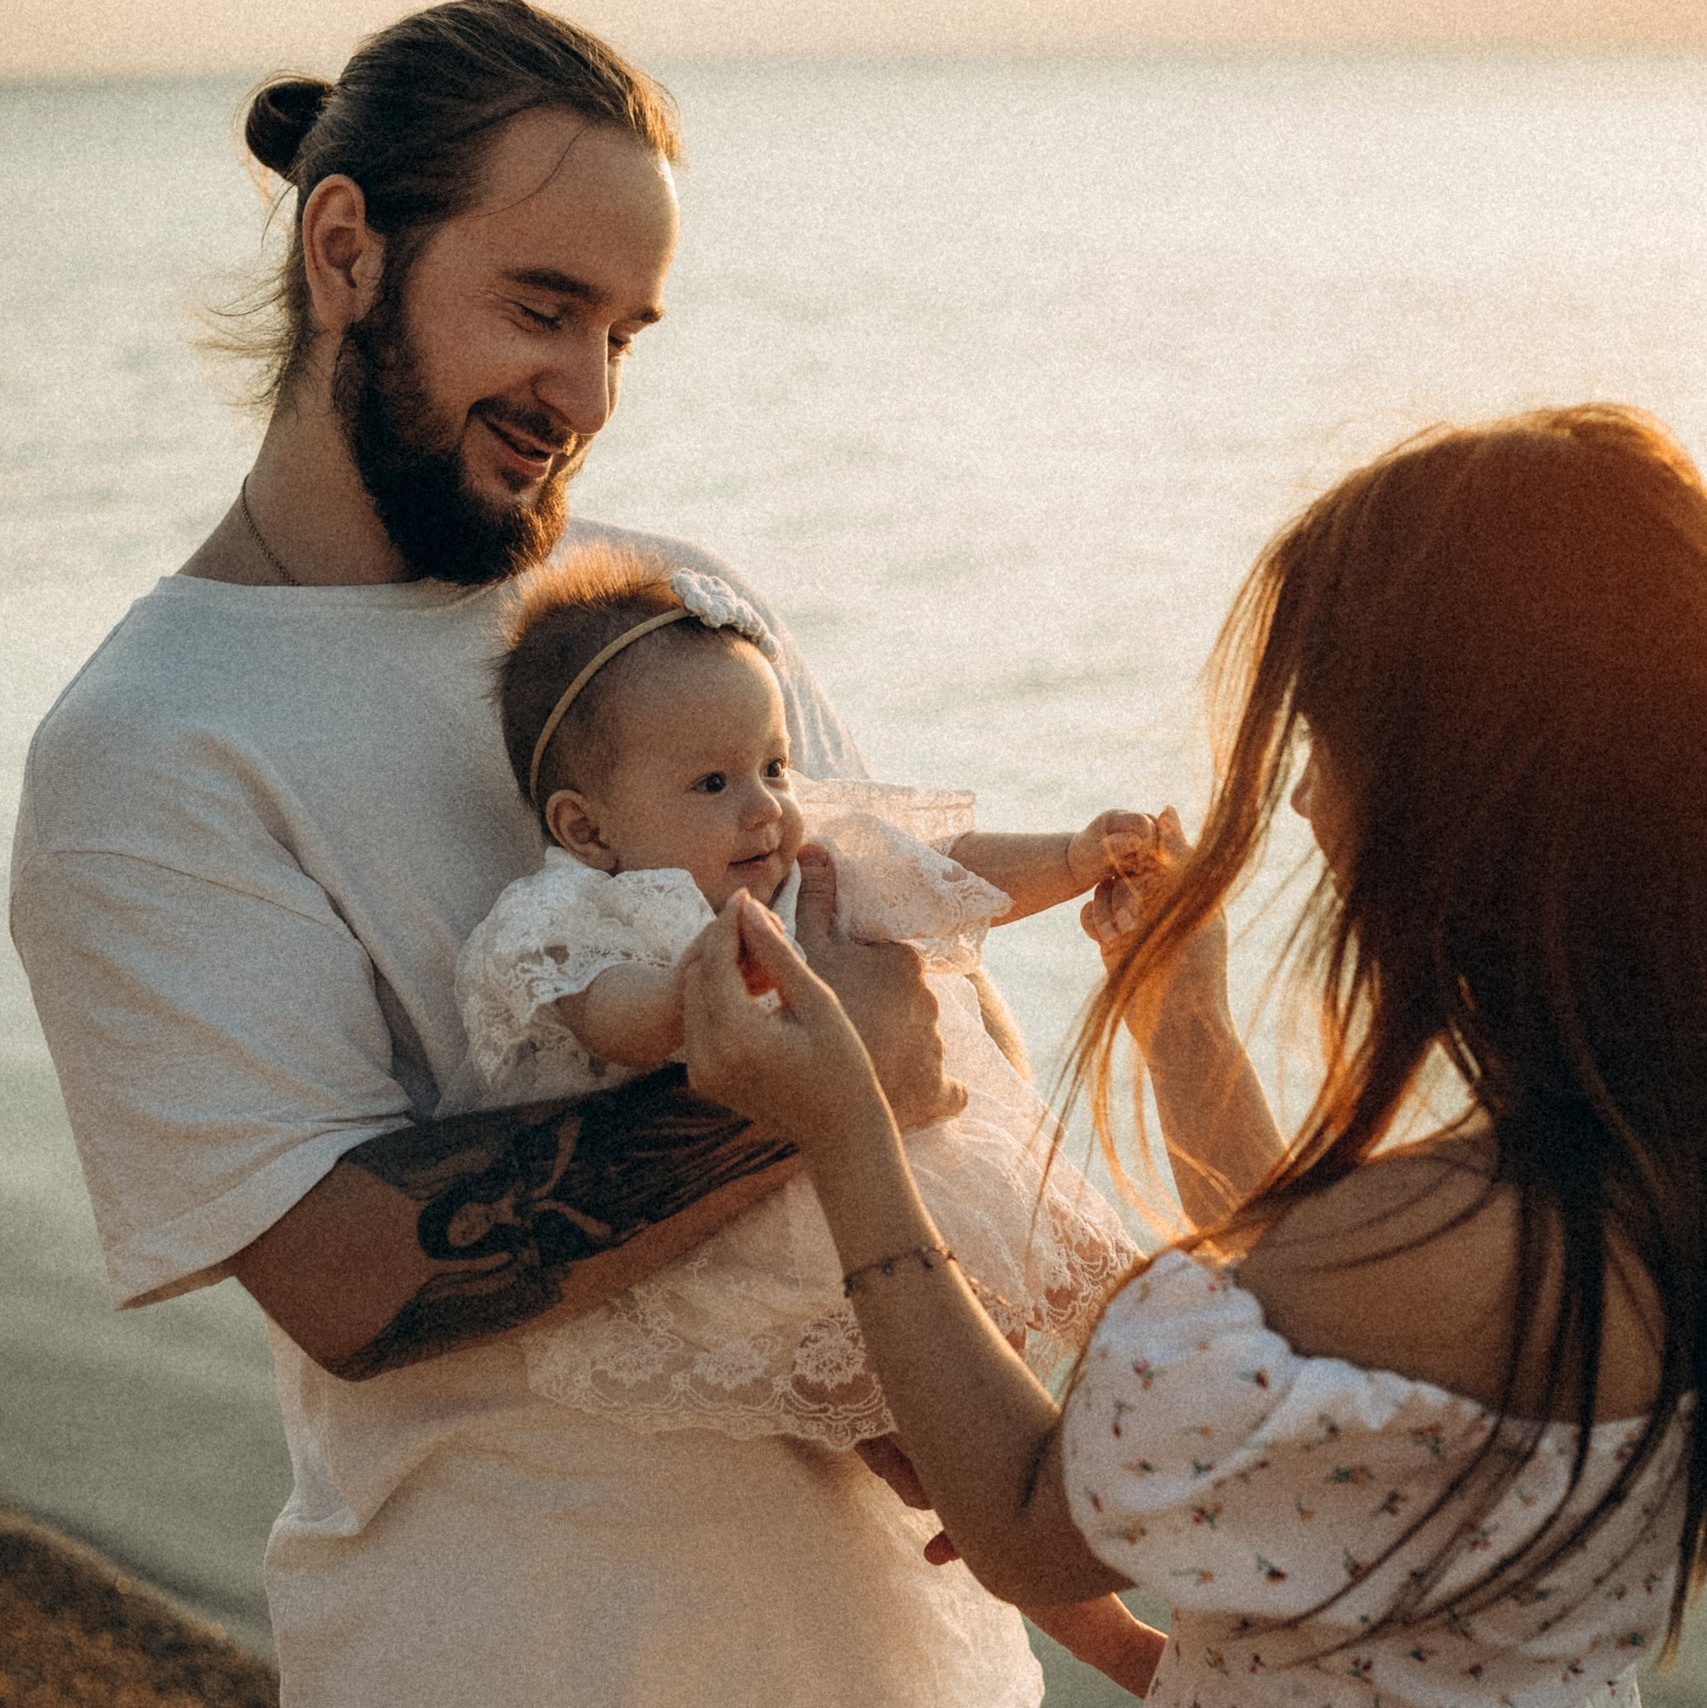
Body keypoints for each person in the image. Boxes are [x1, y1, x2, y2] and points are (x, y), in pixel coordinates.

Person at [6, 4, 1123, 1703]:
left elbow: (899, 965)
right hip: (516, 1651)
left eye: (623, 331)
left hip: (915, 1657)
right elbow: (348, 1275)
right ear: (344, 251)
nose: (585, 394)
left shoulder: (665, 614)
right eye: (541, 309)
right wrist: (831, 1073)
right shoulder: (150, 747)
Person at [678, 404, 1707, 1707]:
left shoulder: (1409, 1249)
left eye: (1327, 744)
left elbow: (1017, 1512)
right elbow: (1350, 1363)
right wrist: (1185, 1029)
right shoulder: (1636, 1183)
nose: (1302, 802)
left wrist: (847, 1129)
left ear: (1447, 798)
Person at [448, 546, 1163, 1691]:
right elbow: (610, 1012)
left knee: (1034, 1416)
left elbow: (946, 870)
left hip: (892, 1207)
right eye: (713, 784)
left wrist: (1076, 858)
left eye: (773, 764)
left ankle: (1169, 1601)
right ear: (586, 828)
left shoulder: (800, 863)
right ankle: (1128, 1644)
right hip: (748, 1258)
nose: (767, 806)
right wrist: (698, 988)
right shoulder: (568, 915)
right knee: (951, 1454)